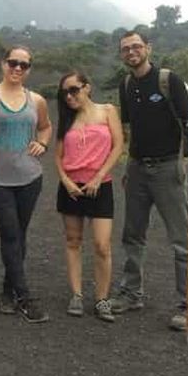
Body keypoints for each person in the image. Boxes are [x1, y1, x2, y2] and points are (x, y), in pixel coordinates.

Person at [111, 31, 188, 331]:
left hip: (168, 168)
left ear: (148, 49)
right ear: (121, 55)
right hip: (138, 168)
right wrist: (128, 165)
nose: (132, 52)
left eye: (136, 47)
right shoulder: (126, 84)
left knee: (181, 241)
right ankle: (131, 293)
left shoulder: (169, 80)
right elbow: (129, 129)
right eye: (126, 49)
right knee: (132, 235)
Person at [0, 46, 53, 323]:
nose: (18, 68)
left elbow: (46, 126)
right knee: (10, 234)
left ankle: (8, 291)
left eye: (24, 65)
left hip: (30, 177)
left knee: (20, 233)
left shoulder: (36, 100)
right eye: (13, 63)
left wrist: (42, 142)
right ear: (3, 63)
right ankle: (25, 297)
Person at [54, 71, 123, 323]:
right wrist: (65, 180)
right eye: (65, 92)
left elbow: (118, 146)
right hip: (71, 186)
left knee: (102, 245)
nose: (70, 96)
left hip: (100, 185)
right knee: (73, 241)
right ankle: (77, 294)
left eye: (74, 89)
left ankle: (102, 298)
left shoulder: (107, 111)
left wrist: (98, 176)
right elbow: (58, 156)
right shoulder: (66, 118)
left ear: (87, 87)